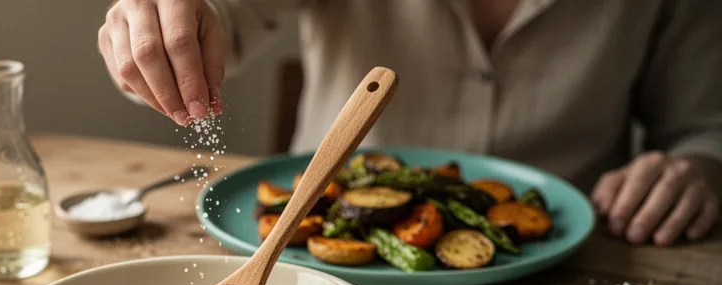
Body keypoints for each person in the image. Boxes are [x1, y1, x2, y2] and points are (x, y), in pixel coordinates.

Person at [98, 0, 722, 246]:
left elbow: (703, 125)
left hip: (573, 252)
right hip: (316, 253)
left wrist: (699, 166)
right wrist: (162, 24)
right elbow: (217, 13)